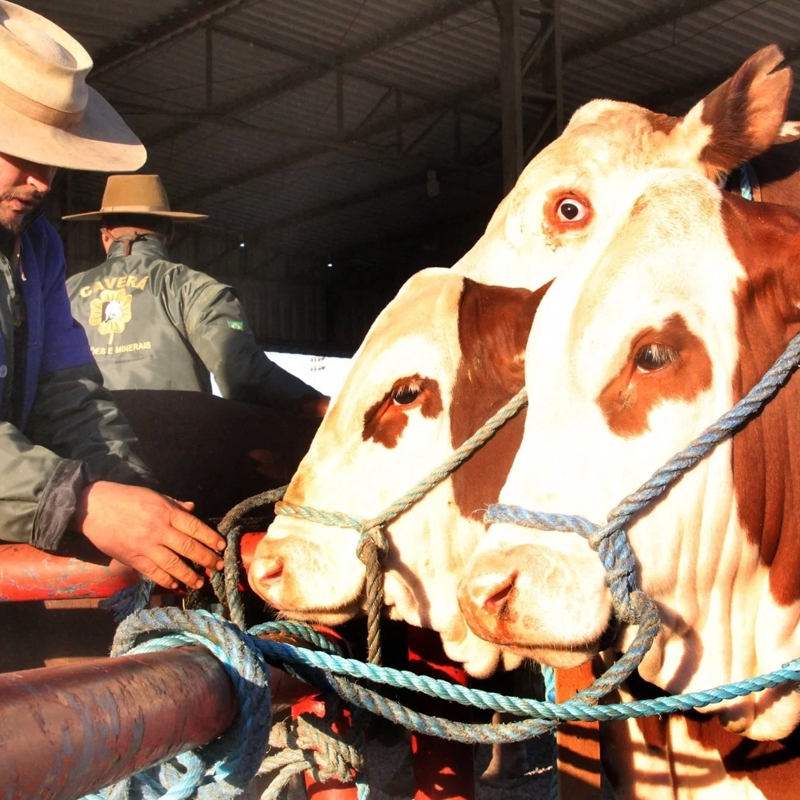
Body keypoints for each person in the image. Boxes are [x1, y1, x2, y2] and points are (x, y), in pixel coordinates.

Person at [0, 1, 227, 592]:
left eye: (51, 160)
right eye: (21, 155)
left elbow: (68, 392)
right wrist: (83, 503)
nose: (42, 182)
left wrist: (131, 488)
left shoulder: (38, 249)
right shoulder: (191, 287)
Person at [65, 174, 327, 413]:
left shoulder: (65, 293)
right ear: (169, 231)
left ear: (104, 235)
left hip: (81, 451)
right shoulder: (195, 289)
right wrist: (323, 408)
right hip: (174, 448)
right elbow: (242, 374)